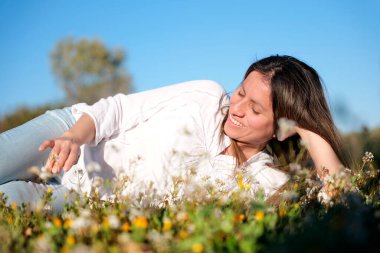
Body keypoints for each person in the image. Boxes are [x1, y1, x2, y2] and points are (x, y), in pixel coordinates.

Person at [0, 55, 347, 212]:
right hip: (70, 134)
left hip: (91, 200)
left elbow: (344, 207)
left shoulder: (266, 181)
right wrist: (73, 137)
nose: (237, 107)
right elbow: (116, 110)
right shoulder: (207, 97)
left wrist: (312, 131)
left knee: (8, 205)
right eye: (241, 91)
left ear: (283, 129)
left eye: (256, 110)